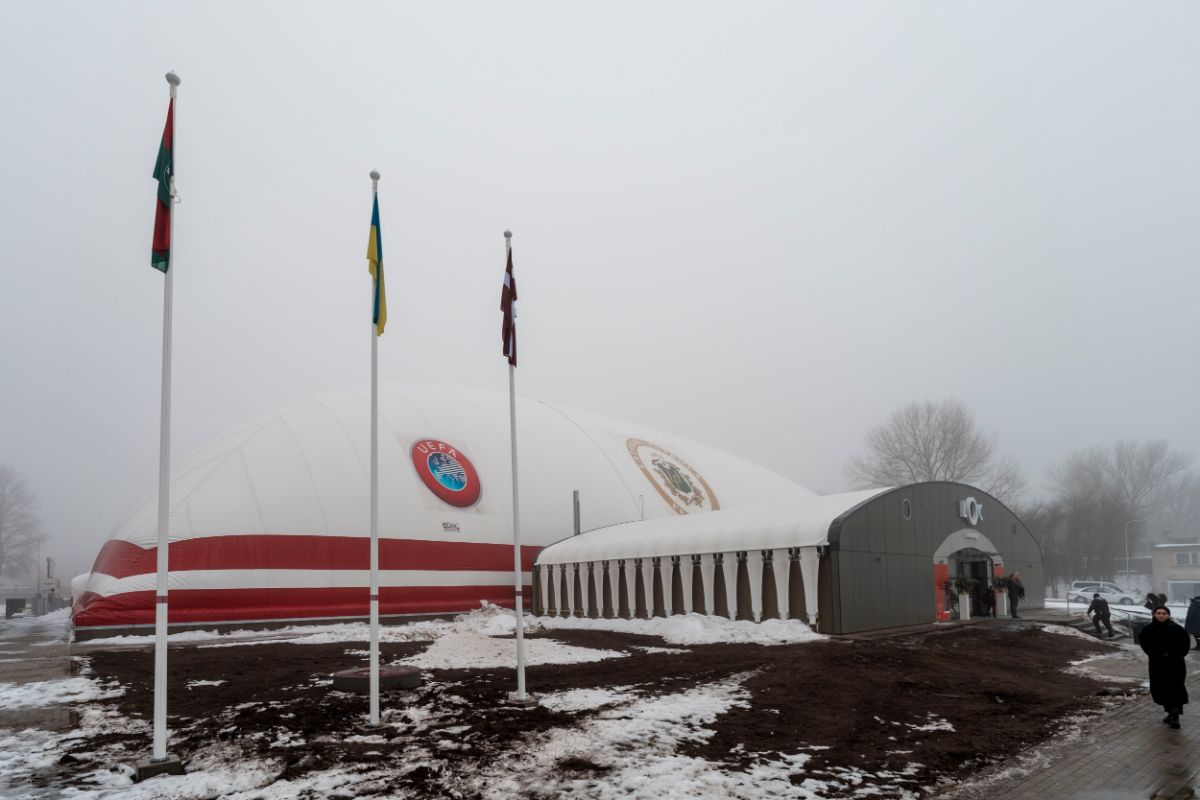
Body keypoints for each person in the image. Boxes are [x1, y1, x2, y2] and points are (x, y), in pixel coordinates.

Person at [1137, 605, 1191, 729]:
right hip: (1157, 665)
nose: (1161, 615)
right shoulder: (1148, 629)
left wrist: (1173, 655)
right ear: (1154, 614)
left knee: (1175, 688)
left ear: (1168, 615)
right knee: (1161, 689)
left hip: (1175, 665)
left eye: (1164, 613)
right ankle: (1170, 712)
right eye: (1159, 613)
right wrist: (1154, 654)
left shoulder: (1177, 629)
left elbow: (1185, 645)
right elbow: (1144, 643)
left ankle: (1175, 715)